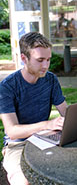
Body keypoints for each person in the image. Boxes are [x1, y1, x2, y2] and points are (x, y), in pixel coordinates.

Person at [0, 32, 67, 185]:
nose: (46, 65)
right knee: (24, 181)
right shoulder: (7, 87)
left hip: (46, 138)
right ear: (24, 58)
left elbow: (66, 112)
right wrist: (47, 124)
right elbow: (12, 131)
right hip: (18, 145)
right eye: (40, 60)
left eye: (48, 59)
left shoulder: (50, 80)